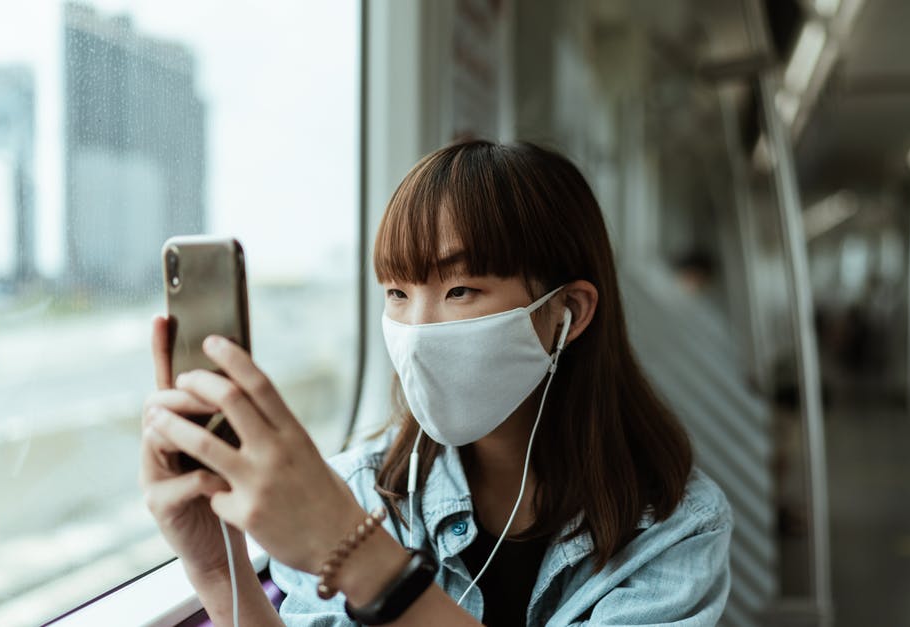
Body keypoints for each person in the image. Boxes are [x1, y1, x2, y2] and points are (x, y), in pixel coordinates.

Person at [140, 140, 732, 626]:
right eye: (397, 293)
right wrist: (220, 571)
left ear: (567, 313)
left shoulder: (677, 526)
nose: (417, 332)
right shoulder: (359, 490)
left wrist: (359, 557)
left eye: (459, 291)